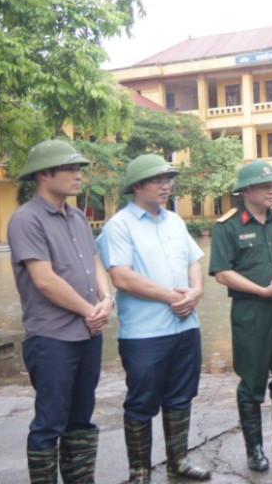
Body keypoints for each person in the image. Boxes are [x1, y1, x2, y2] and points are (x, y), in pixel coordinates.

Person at [96, 154, 210, 484]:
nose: (166, 185)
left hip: (185, 327)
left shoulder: (174, 221)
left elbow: (194, 261)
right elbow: (122, 278)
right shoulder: (119, 226)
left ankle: (179, 461)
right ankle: (140, 471)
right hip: (144, 335)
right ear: (136, 186)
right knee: (141, 402)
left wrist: (196, 291)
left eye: (168, 179)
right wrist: (175, 297)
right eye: (157, 180)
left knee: (180, 397)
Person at [8, 139, 114, 484]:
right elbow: (45, 281)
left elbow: (95, 260)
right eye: (69, 168)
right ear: (44, 174)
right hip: (52, 338)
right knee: (50, 421)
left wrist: (107, 298)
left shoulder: (78, 218)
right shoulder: (26, 219)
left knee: (81, 418)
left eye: (78, 168)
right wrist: (90, 310)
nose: (77, 175)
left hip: (88, 333)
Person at [209, 161, 272, 471]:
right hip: (252, 313)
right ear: (247, 190)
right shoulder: (228, 226)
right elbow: (222, 273)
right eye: (265, 186)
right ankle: (254, 449)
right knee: (252, 381)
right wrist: (259, 290)